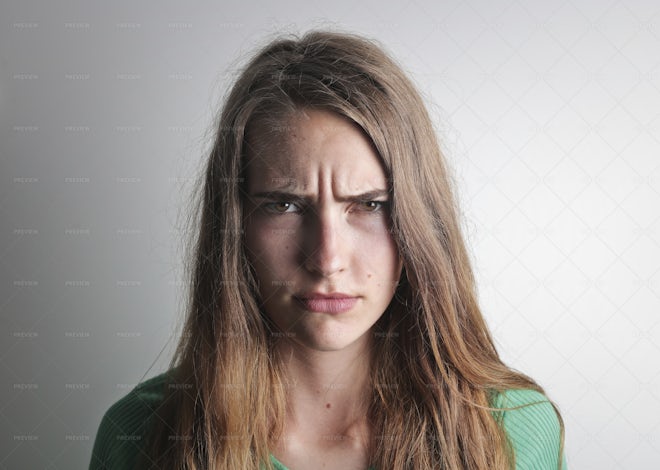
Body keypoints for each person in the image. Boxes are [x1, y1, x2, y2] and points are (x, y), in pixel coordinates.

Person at [89, 30, 566, 469]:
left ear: (420, 224)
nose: (327, 259)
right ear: (235, 225)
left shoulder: (511, 429)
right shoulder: (141, 438)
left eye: (369, 205)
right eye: (285, 204)